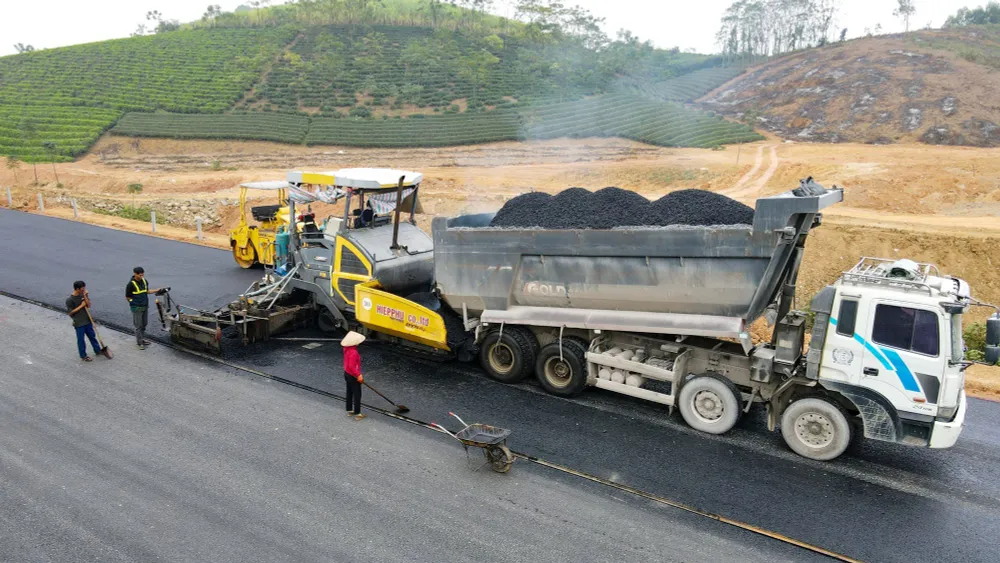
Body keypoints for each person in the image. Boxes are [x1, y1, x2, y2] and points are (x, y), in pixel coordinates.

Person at [125, 266, 165, 350]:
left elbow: (147, 291)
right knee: (138, 326)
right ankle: (139, 343)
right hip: (136, 308)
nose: (141, 276)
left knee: (144, 324)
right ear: (135, 274)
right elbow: (127, 297)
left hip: (144, 306)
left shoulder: (144, 281)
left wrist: (156, 290)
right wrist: (133, 303)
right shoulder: (131, 284)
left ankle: (142, 339)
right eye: (140, 275)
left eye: (142, 275)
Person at [67, 281, 102, 362]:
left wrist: (85, 296)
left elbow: (89, 305)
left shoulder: (82, 296)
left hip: (87, 320)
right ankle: (83, 355)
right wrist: (81, 306)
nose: (84, 290)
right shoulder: (70, 300)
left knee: (92, 337)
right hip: (79, 323)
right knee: (81, 340)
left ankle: (97, 350)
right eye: (82, 289)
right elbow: (70, 312)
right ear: (77, 289)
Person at [342, 331, 366, 420]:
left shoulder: (346, 349)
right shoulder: (354, 352)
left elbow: (348, 365)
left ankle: (349, 409)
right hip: (353, 376)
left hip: (346, 374)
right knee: (357, 394)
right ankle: (358, 413)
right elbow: (352, 366)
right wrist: (358, 375)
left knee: (349, 392)